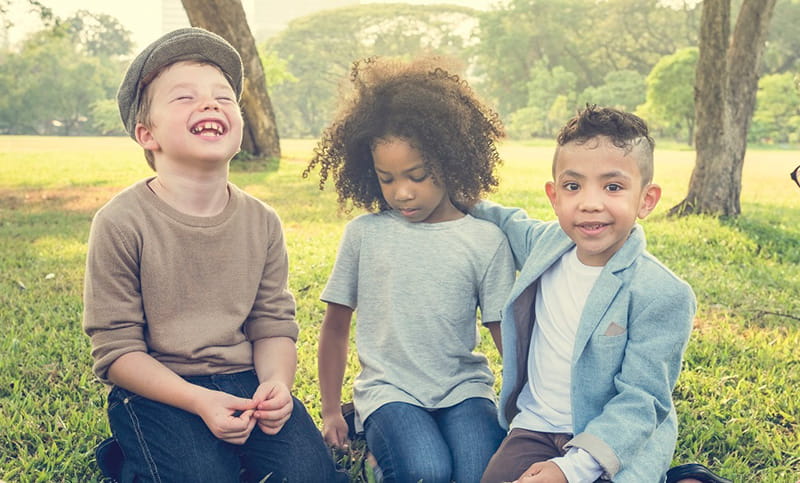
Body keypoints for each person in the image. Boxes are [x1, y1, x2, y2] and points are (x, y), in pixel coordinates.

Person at [82, 27, 343, 482]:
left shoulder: (262, 221)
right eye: (184, 98)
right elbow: (117, 351)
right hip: (158, 388)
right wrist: (198, 401)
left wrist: (276, 385)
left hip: (245, 379)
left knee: (311, 475)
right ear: (147, 134)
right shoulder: (120, 222)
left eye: (224, 97)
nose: (210, 104)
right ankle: (135, 453)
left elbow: (272, 324)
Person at [474, 105, 729, 483]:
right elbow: (503, 218)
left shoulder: (662, 293)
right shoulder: (545, 244)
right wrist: (447, 188)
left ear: (646, 199)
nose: (590, 202)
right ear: (554, 195)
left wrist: (570, 469)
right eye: (573, 186)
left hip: (614, 439)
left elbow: (642, 401)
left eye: (613, 187)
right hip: (537, 427)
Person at [303, 56, 516, 483]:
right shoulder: (364, 234)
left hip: (465, 390)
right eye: (386, 178)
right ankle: (379, 465)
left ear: (452, 162)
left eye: (417, 175)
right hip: (389, 392)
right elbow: (335, 327)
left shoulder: (484, 241)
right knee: (426, 472)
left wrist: (528, 408)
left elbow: (503, 333)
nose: (402, 192)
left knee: (477, 474)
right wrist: (330, 410)